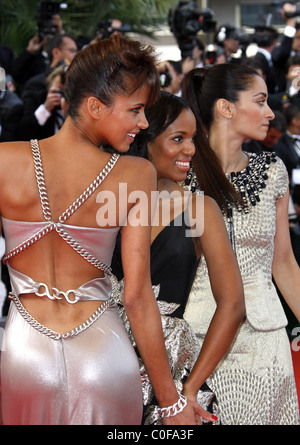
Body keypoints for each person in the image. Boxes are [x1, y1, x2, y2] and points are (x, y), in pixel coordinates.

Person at [0, 34, 199, 426]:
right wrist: (171, 404)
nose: (143, 125)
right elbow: (138, 298)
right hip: (104, 359)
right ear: (94, 106)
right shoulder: (134, 173)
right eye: (136, 110)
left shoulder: (5, 161)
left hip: (22, 358)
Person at [112, 91, 246, 425]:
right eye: (178, 138)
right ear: (146, 138)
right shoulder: (107, 201)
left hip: (168, 377)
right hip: (100, 364)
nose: (190, 149)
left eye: (193, 139)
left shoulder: (200, 210)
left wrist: (190, 387)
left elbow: (233, 306)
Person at [182, 63, 300, 425]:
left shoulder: (273, 169)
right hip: (199, 336)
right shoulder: (181, 172)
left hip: (266, 339)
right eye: (260, 101)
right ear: (226, 108)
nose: (270, 113)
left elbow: (283, 263)